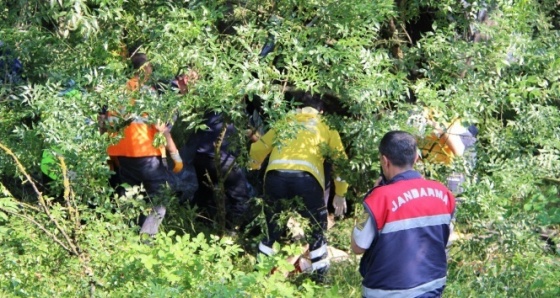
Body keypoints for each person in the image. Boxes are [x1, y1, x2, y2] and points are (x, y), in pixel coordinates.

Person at [249, 93, 349, 279]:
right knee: (316, 230)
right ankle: (321, 279)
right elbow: (340, 161)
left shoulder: (285, 122)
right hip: (307, 180)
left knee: (272, 228)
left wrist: (253, 165)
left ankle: (258, 276)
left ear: (296, 107)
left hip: (275, 178)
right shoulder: (326, 125)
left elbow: (258, 148)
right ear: (321, 110)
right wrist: (340, 193)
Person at [351, 131, 456, 297]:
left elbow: (357, 246)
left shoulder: (378, 198)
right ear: (416, 159)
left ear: (385, 161)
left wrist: (373, 193)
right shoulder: (444, 193)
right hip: (432, 287)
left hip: (385, 292)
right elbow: (445, 240)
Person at [105, 53, 183, 236]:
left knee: (132, 198)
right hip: (146, 154)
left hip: (122, 154)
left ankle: (129, 237)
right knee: (161, 198)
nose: (151, 72)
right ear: (144, 69)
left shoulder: (116, 92)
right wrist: (175, 155)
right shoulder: (146, 92)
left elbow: (107, 125)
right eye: (150, 68)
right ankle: (147, 239)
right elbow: (160, 127)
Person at [183, 110, 252, 230]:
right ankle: (234, 230)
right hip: (222, 159)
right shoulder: (235, 113)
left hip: (200, 158)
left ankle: (197, 225)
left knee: (204, 193)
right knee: (240, 197)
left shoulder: (209, 112)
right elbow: (252, 135)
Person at [411, 107, 478, 195]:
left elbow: (458, 151)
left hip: (452, 172)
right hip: (431, 170)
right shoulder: (421, 113)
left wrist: (437, 128)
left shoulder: (458, 121)